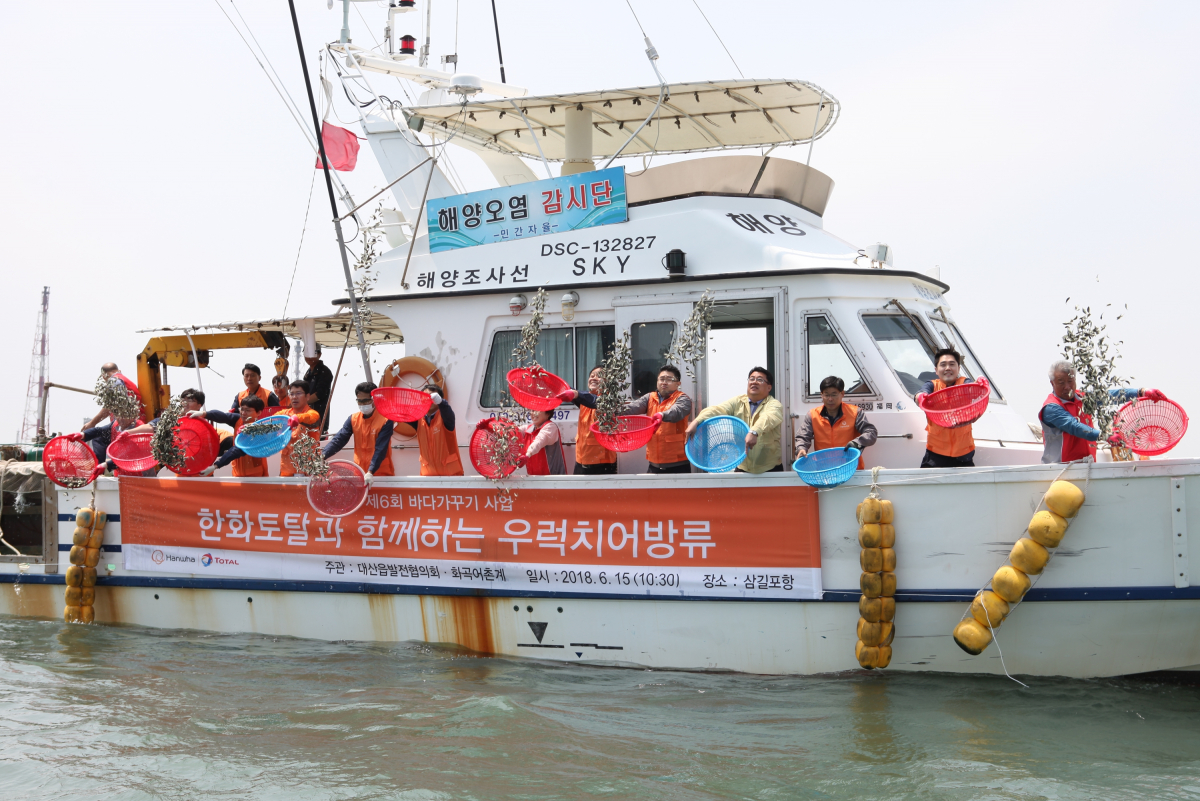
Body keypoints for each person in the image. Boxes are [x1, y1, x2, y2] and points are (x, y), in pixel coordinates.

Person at [1039, 360, 1162, 464]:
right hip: (1059, 469)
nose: (1067, 386)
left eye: (1070, 381)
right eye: (1061, 382)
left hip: (1087, 465)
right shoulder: (1051, 408)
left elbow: (1110, 396)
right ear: (1052, 383)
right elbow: (1074, 427)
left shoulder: (1083, 398)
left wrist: (1140, 392)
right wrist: (1105, 436)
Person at [686, 367, 785, 473]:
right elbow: (717, 409)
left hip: (769, 468)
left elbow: (769, 418)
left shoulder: (774, 404)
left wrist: (754, 432)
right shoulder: (737, 401)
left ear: (769, 387)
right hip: (742, 466)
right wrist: (696, 421)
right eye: (751, 379)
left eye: (760, 379)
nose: (754, 382)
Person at [794, 376, 878, 469]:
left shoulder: (855, 412)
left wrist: (857, 443)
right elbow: (802, 436)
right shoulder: (812, 415)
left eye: (834, 394)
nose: (830, 399)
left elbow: (871, 432)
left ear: (842, 394)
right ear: (821, 395)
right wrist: (801, 448)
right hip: (825, 471)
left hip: (851, 469)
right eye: (826, 394)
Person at [622, 365, 692, 473]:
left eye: (669, 379)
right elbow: (632, 408)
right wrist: (608, 410)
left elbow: (677, 412)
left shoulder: (683, 399)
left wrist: (662, 415)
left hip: (678, 464)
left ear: (678, 384)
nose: (664, 382)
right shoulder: (650, 397)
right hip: (653, 463)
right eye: (661, 379)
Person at [914, 348, 977, 468]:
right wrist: (920, 397)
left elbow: (972, 387)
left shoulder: (964, 382)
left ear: (958, 369)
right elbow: (920, 393)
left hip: (964, 455)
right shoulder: (931, 385)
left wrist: (979, 384)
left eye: (952, 364)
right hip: (935, 454)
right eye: (943, 365)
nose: (948, 368)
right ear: (936, 370)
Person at [322, 382, 395, 482]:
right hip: (359, 473)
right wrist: (322, 456)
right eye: (359, 401)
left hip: (380, 474)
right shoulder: (353, 419)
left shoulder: (386, 420)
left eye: (365, 401)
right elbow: (339, 440)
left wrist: (370, 471)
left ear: (375, 399)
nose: (362, 404)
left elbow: (381, 449)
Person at [196, 396, 270, 477]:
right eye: (242, 409)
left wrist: (216, 465)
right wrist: (204, 414)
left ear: (259, 412)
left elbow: (237, 450)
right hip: (237, 472)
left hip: (254, 475)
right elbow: (223, 416)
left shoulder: (258, 429)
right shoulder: (238, 420)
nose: (243, 413)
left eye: (248, 410)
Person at [563, 366, 618, 475]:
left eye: (599, 376)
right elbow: (566, 389)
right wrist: (546, 377)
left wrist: (576, 394)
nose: (594, 378)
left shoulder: (609, 400)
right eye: (592, 376)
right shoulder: (585, 399)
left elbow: (595, 401)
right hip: (581, 459)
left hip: (602, 463)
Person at [417, 384, 464, 476]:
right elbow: (402, 415)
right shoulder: (418, 420)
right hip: (427, 477)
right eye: (425, 396)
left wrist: (442, 403)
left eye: (431, 396)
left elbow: (448, 413)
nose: (429, 399)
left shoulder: (445, 417)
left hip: (451, 477)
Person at [279, 379, 321, 477]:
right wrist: (249, 426)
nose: (294, 397)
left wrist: (297, 418)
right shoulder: (284, 414)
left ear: (307, 396)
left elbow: (311, 418)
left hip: (307, 469)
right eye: (292, 394)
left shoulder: (313, 414)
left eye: (298, 393)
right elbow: (270, 421)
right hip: (287, 469)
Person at [522, 409, 566, 475]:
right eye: (532, 410)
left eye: (536, 410)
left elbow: (539, 442)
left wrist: (527, 455)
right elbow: (514, 431)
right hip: (534, 477)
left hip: (553, 478)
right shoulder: (528, 428)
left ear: (547, 414)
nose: (533, 413)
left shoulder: (550, 427)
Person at [303, 344, 335, 434]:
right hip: (306, 417)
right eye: (306, 353)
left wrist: (302, 402)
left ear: (319, 354)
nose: (309, 356)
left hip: (318, 417)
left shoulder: (325, 372)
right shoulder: (308, 372)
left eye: (312, 353)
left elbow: (320, 394)